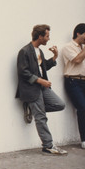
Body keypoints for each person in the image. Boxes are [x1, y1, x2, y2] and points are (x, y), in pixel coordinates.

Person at [16, 24, 68, 155]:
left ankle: (34, 109)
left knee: (59, 104)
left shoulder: (39, 51)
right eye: (47, 36)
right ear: (40, 36)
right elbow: (23, 72)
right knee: (41, 117)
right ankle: (48, 145)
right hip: (31, 89)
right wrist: (40, 80)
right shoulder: (25, 51)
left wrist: (55, 57)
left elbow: (43, 67)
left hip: (42, 88)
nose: (48, 39)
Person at [59, 23, 85, 151]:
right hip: (73, 82)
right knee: (83, 109)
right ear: (78, 33)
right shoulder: (68, 47)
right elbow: (77, 60)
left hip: (84, 82)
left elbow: (84, 68)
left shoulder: (82, 48)